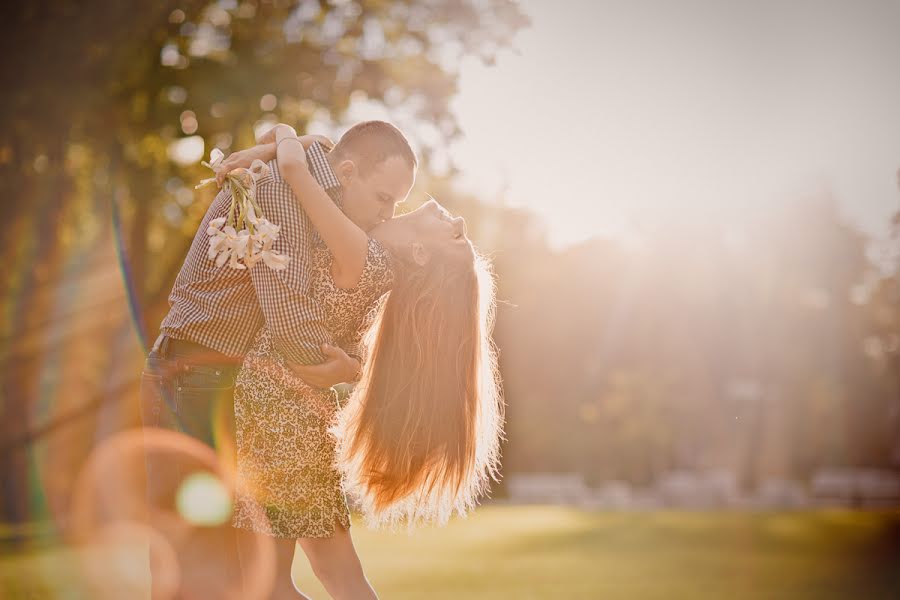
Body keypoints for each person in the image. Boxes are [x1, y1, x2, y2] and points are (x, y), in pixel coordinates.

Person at [139, 121, 417, 599]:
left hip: (224, 382)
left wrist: (288, 136)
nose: (386, 216)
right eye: (383, 198)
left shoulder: (310, 181)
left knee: (236, 578)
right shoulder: (283, 192)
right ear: (347, 172)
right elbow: (289, 322)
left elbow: (296, 138)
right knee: (195, 569)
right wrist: (349, 369)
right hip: (193, 379)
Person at [228, 124, 503, 600]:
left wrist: (285, 137)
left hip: (280, 420)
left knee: (273, 587)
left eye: (456, 240)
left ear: (420, 253)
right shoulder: (371, 255)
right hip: (294, 419)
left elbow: (296, 170)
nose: (459, 224)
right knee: (332, 580)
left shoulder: (367, 256)